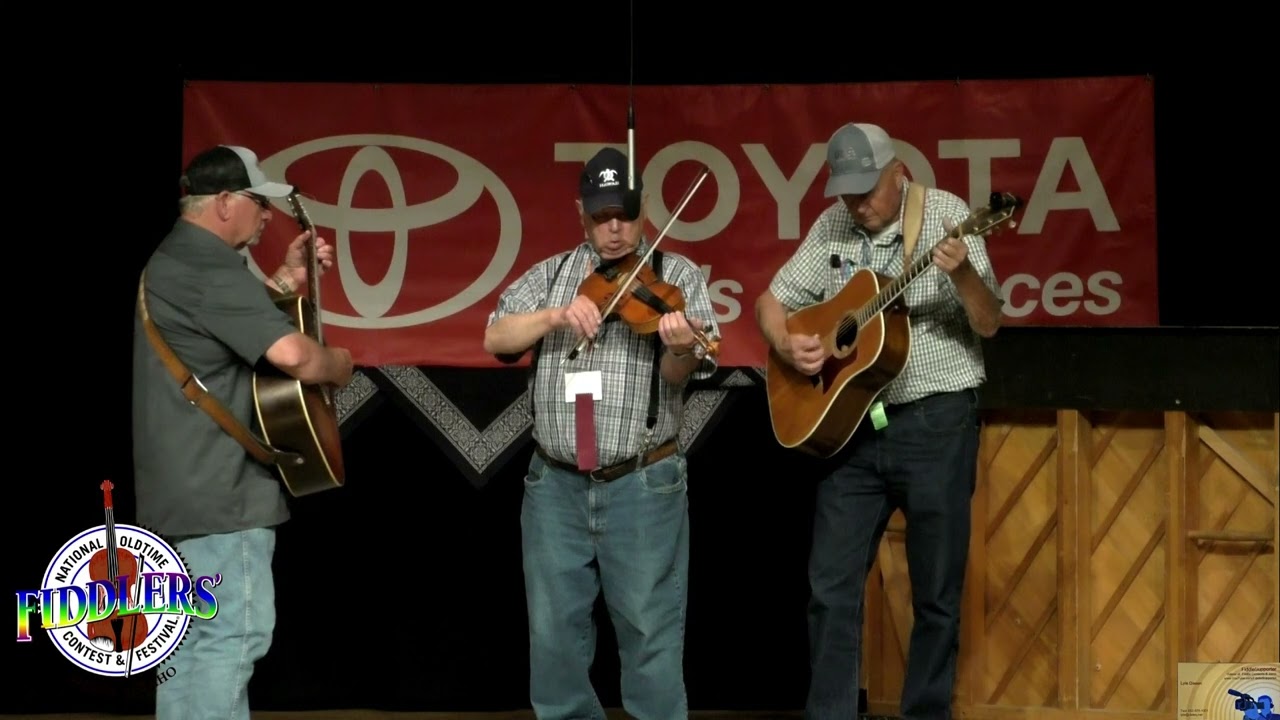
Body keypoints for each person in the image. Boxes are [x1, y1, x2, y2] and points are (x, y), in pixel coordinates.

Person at [754, 123, 1004, 720]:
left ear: (899, 174)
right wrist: (786, 343)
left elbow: (990, 322)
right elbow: (771, 301)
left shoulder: (946, 216)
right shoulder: (832, 224)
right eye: (846, 191)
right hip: (854, 428)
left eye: (866, 190)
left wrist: (962, 273)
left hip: (936, 422)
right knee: (830, 589)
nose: (857, 204)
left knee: (936, 593)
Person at [484, 146, 720, 720]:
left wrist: (680, 347)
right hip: (555, 486)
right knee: (554, 639)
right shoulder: (552, 274)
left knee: (650, 635)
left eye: (626, 216)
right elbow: (495, 337)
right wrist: (555, 316)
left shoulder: (676, 277)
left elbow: (679, 375)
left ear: (644, 211)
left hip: (643, 484)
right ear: (581, 214)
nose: (615, 230)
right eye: (601, 217)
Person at [132, 145, 355, 720]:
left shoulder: (175, 260)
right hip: (223, 498)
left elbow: (223, 328)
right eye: (259, 202)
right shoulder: (208, 267)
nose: (266, 216)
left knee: (184, 651)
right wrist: (339, 364)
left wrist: (285, 278)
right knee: (230, 639)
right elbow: (293, 356)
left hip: (179, 498)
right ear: (226, 201)